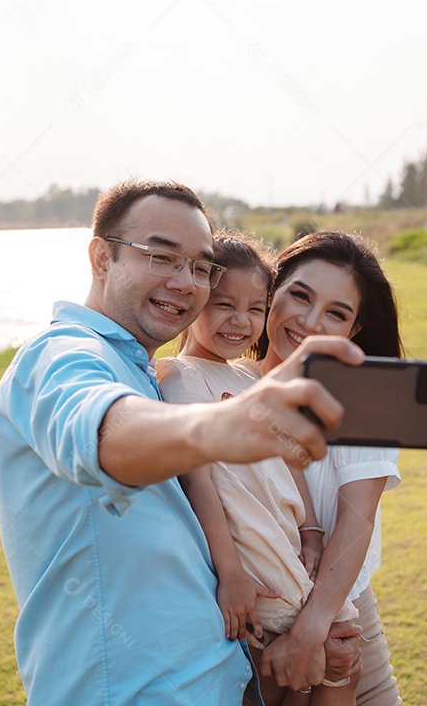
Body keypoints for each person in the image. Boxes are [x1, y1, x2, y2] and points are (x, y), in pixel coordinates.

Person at [0, 180, 364, 706]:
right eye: (162, 257)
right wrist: (221, 427)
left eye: (200, 266)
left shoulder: (148, 371)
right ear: (102, 256)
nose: (186, 282)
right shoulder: (61, 356)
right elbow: (102, 429)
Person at [157, 231, 361, 706]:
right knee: (280, 677)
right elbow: (198, 479)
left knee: (340, 662)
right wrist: (230, 573)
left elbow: (291, 459)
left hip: (286, 544)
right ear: (198, 299)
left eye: (255, 308)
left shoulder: (251, 376)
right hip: (251, 557)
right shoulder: (182, 377)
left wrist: (311, 529)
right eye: (224, 305)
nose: (240, 321)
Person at [251, 231, 406, 706]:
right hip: (247, 623)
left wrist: (311, 630)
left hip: (338, 617)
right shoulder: (225, 379)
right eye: (299, 295)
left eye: (336, 313)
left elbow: (357, 519)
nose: (310, 322)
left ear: (354, 330)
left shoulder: (364, 400)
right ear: (271, 292)